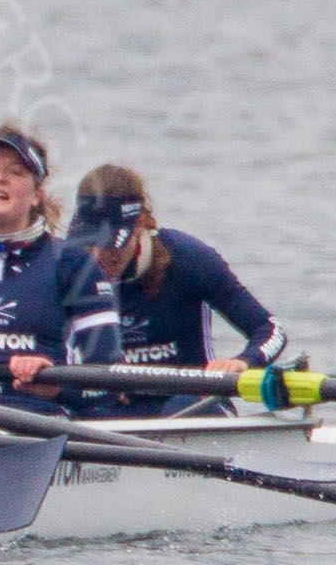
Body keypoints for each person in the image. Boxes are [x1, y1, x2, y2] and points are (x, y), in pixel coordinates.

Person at [67, 163, 288, 417]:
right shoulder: (68, 267)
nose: (97, 256)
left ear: (139, 224)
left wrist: (244, 361)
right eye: (88, 242)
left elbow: (271, 330)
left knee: (183, 408)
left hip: (192, 404)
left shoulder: (188, 259)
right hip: (114, 409)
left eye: (109, 245)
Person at [0, 123, 121, 415]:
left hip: (40, 423)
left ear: (37, 195)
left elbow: (111, 384)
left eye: (16, 172)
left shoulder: (73, 265)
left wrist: (57, 384)